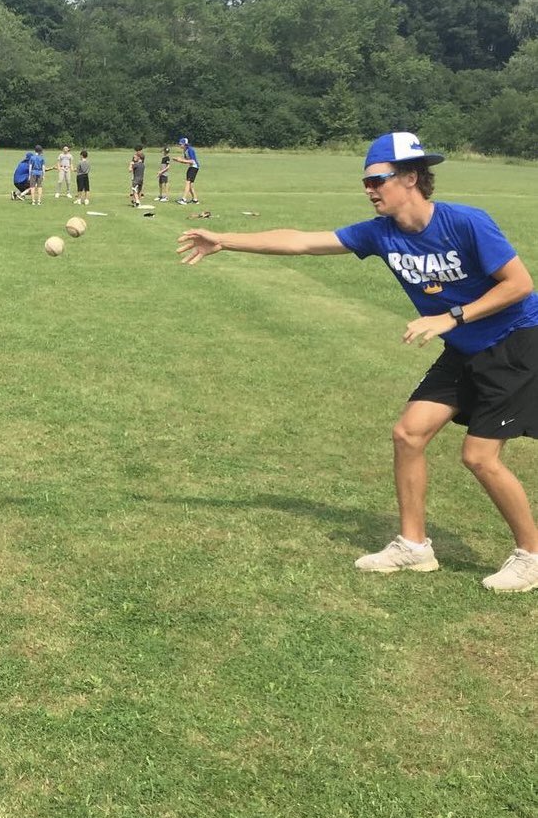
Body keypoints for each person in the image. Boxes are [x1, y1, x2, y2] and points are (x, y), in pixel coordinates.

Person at [177, 131, 538, 593]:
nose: (369, 189)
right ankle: (413, 547)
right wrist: (224, 240)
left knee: (479, 456)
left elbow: (520, 284)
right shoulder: (380, 234)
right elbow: (302, 242)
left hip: (514, 342)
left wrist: (451, 317)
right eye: (365, 181)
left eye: (377, 180)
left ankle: (529, 554)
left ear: (410, 178)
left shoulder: (466, 222)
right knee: (408, 434)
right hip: (463, 345)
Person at [173, 136, 200, 204]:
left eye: (181, 144)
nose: (180, 145)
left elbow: (192, 161)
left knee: (188, 182)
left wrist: (181, 160)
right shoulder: (185, 151)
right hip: (191, 167)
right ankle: (195, 199)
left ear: (185, 144)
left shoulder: (190, 150)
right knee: (190, 184)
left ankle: (184, 199)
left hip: (194, 167)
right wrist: (178, 160)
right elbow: (186, 161)